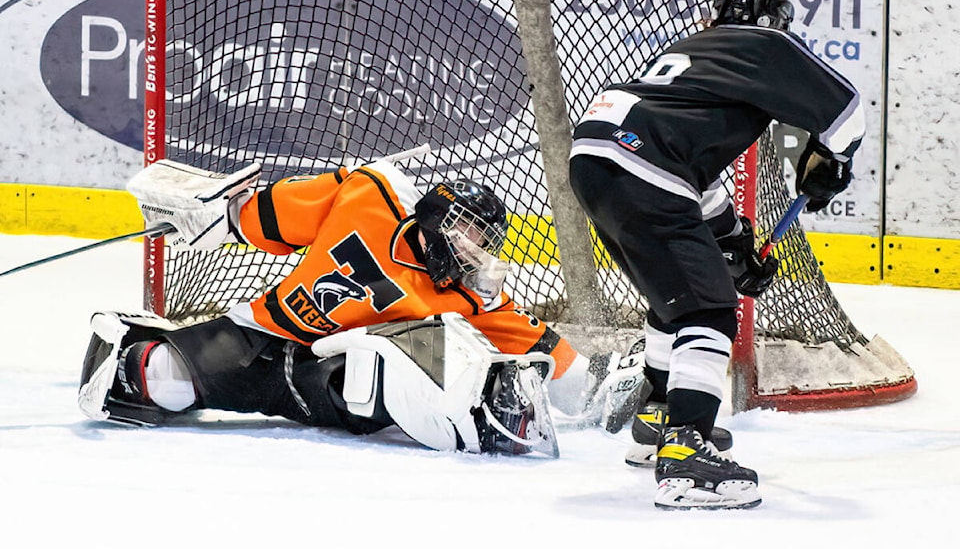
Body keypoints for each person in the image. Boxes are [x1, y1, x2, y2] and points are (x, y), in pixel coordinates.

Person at [79, 156, 644, 457]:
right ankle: (147, 343)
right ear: (434, 221)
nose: (476, 249)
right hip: (263, 337)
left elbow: (537, 340)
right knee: (153, 378)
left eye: (485, 240)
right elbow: (274, 216)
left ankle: (478, 410)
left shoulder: (470, 291)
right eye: (468, 232)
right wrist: (220, 218)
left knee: (412, 350)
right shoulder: (368, 195)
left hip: (337, 378)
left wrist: (596, 394)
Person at [568, 0, 864, 508]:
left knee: (673, 300)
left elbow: (687, 177)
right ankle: (688, 451)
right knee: (710, 313)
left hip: (596, 157)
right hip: (644, 164)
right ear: (774, 18)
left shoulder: (696, 49)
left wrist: (732, 240)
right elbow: (846, 113)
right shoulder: (765, 44)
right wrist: (830, 163)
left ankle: (657, 420)